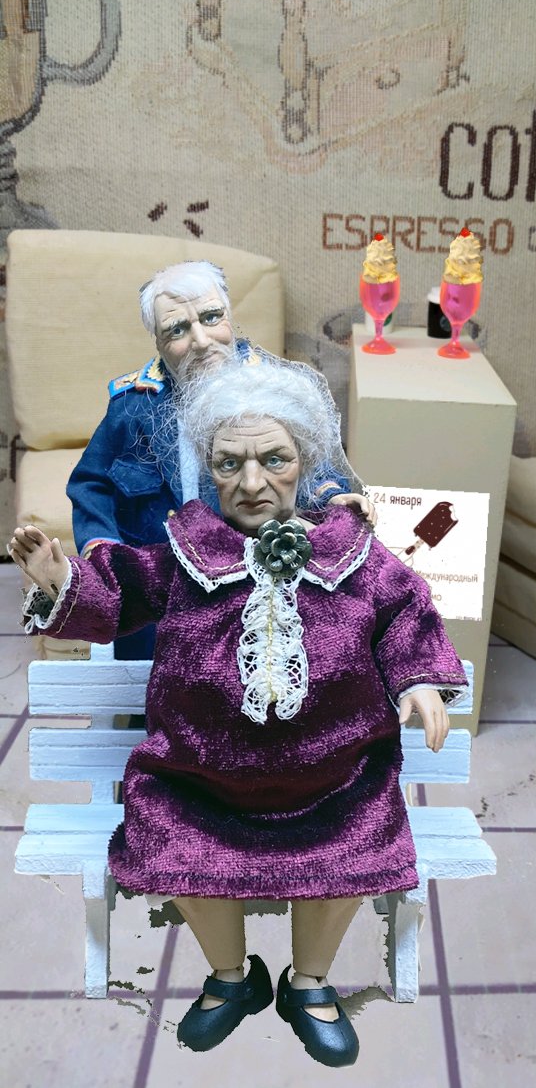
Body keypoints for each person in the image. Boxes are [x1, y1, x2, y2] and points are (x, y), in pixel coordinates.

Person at [10, 357, 466, 1067]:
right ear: (209, 467)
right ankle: (231, 977)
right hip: (198, 784)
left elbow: (406, 607)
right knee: (175, 840)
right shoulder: (185, 554)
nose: (252, 483)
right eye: (230, 463)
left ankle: (309, 983)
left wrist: (420, 679)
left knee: (351, 843)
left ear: (304, 462)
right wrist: (62, 580)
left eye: (273, 459)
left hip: (335, 783)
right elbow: (122, 591)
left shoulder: (354, 554)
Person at [67, 260, 374, 659]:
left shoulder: (272, 387)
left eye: (211, 318)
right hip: (160, 594)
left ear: (230, 316)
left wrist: (332, 498)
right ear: (158, 343)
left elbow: (313, 462)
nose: (200, 340)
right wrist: (104, 551)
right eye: (177, 330)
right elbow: (91, 484)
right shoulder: (132, 406)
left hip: (254, 581)